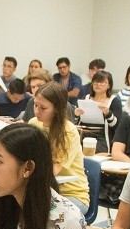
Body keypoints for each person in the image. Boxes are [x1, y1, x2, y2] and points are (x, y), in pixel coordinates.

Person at [29, 83, 89, 214]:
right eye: (35, 105)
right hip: (44, 192)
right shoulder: (33, 123)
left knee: (39, 214)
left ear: (57, 108)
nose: (37, 111)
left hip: (72, 195)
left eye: (43, 108)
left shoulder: (68, 131)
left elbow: (53, 171)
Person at [74, 69, 121, 154]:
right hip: (83, 134)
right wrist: (76, 115)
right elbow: (76, 123)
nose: (98, 84)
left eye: (102, 82)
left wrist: (107, 113)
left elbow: (116, 126)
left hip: (101, 136)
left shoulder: (114, 101)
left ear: (109, 85)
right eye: (96, 81)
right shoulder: (85, 98)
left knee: (95, 152)